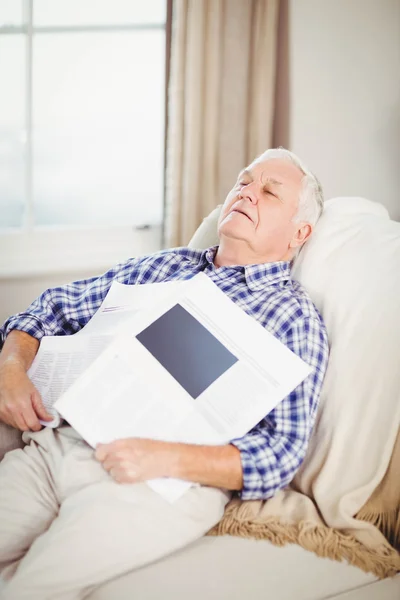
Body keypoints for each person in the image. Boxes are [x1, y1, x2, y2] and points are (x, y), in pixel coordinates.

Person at [0, 148, 329, 599]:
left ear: (299, 232)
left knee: (28, 591)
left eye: (270, 192)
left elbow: (281, 451)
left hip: (164, 482)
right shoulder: (164, 265)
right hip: (61, 444)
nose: (248, 193)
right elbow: (53, 307)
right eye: (244, 181)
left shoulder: (293, 318)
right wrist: (11, 366)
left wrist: (165, 457)